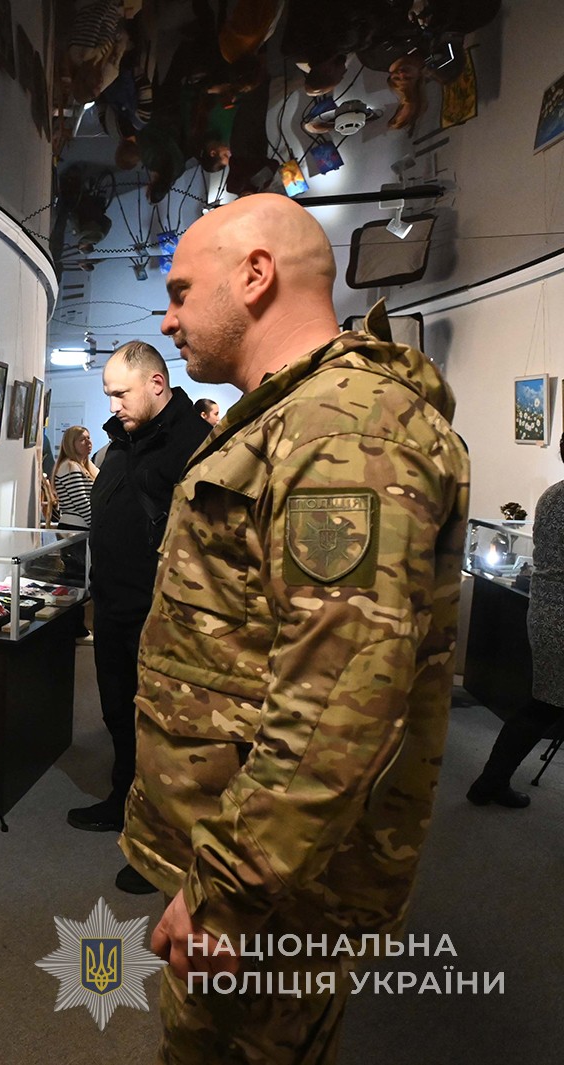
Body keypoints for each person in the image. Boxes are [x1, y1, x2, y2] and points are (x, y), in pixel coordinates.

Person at [123, 193, 469, 1062]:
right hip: (253, 864)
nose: (167, 320)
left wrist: (229, 892)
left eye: (179, 291)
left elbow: (339, 705)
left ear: (255, 275)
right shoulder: (295, 419)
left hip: (272, 891)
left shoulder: (340, 432)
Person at [67, 341, 211, 898]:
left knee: (165, 732)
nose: (113, 405)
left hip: (165, 617)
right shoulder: (121, 441)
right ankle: (122, 801)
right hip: (115, 606)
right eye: (108, 394)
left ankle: (164, 847)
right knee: (118, 714)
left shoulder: (194, 444)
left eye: (121, 393)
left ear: (156, 384)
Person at [468, 431, 564, 807]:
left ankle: (490, 782)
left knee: (543, 703)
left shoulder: (553, 494)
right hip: (559, 618)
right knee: (543, 706)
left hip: (546, 612)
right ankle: (489, 783)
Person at [52, 426, 99, 530]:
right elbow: (81, 502)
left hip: (82, 525)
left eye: (88, 438)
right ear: (71, 444)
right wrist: (97, 526)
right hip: (75, 526)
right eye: (82, 440)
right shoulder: (70, 466)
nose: (88, 442)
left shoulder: (87, 465)